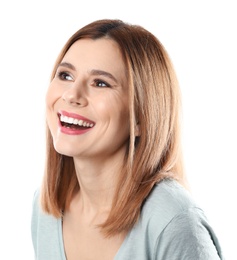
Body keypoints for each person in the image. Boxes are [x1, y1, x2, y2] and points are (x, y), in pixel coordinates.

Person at [31, 19, 224, 260]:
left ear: (141, 117)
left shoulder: (174, 221)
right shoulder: (46, 210)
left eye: (100, 83)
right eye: (66, 75)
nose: (72, 95)